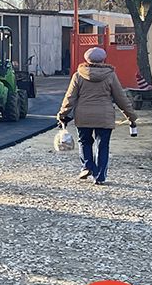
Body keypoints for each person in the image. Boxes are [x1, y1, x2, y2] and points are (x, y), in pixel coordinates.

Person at [58, 47, 138, 185]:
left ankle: (88, 166)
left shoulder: (78, 75)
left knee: (85, 142)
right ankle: (100, 177)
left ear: (86, 59)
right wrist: (131, 116)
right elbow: (121, 98)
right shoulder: (110, 75)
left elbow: (70, 97)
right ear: (103, 59)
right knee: (103, 145)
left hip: (83, 116)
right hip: (104, 116)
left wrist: (62, 114)